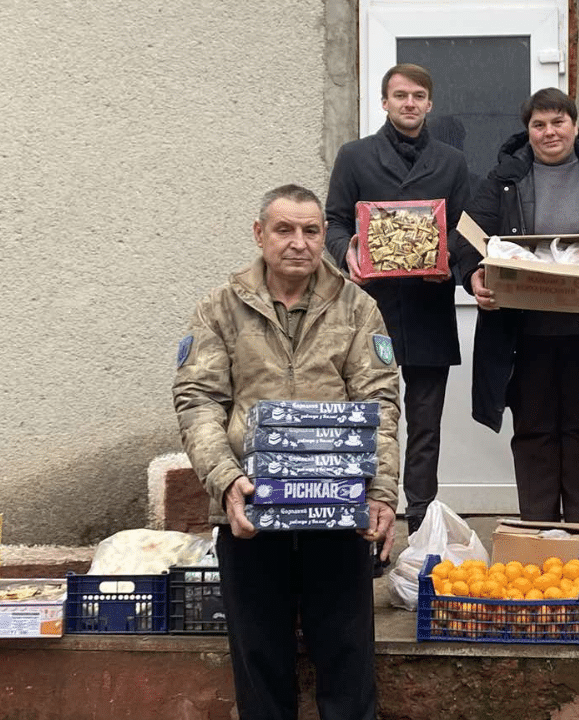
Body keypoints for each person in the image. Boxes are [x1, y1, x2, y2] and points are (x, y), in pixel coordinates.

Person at [173, 185, 400, 720]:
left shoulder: (357, 306)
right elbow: (199, 399)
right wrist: (227, 481)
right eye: (284, 230)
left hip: (339, 510)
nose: (299, 243)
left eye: (311, 231)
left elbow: (381, 402)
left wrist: (383, 492)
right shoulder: (220, 308)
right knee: (259, 663)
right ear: (259, 234)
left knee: (347, 661)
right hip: (250, 510)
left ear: (324, 235)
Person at [451, 87, 579, 522]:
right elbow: (465, 236)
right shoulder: (503, 179)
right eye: (539, 124)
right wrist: (473, 277)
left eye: (558, 122)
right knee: (533, 432)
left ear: (575, 124)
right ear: (527, 131)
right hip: (524, 335)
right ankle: (538, 531)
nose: (549, 132)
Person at [325, 63, 470, 538]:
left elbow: (465, 229)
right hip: (370, 312)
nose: (410, 103)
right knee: (368, 420)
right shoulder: (354, 156)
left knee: (425, 428)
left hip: (430, 310)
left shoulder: (452, 161)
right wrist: (347, 252)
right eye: (400, 95)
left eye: (419, 96)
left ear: (430, 104)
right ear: (384, 102)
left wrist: (449, 256)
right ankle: (363, 525)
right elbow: (336, 221)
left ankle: (420, 527)